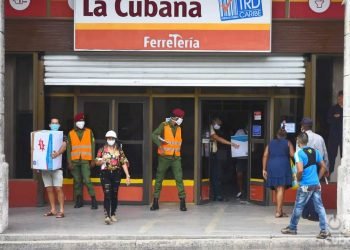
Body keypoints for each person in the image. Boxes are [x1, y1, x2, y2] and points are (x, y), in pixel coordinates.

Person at [281, 132, 330, 239]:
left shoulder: (298, 153)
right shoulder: (315, 151)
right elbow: (324, 166)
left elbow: (300, 170)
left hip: (305, 185)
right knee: (320, 207)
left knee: (298, 207)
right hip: (316, 184)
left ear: (298, 141)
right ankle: (325, 230)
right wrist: (318, 177)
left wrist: (298, 180)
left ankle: (292, 228)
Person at [150, 108, 187, 211]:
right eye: (180, 118)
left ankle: (183, 202)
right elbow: (153, 135)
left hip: (176, 158)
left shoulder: (179, 128)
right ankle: (155, 202)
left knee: (179, 179)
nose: (181, 120)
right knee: (159, 179)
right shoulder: (164, 125)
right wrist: (160, 145)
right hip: (164, 157)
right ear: (175, 117)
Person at [95, 130, 130, 225]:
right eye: (109, 138)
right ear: (106, 139)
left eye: (112, 138)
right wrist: (102, 160)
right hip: (105, 174)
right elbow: (96, 162)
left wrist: (127, 175)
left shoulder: (119, 150)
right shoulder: (102, 150)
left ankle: (113, 213)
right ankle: (107, 216)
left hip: (116, 174)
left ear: (115, 139)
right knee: (107, 194)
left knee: (114, 194)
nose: (110, 140)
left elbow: (123, 163)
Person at [298, 117, 329, 221]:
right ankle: (308, 213)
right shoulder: (319, 138)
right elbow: (325, 155)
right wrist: (326, 169)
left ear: (303, 126)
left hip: (305, 168)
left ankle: (311, 214)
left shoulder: (301, 138)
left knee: (306, 190)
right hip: (317, 167)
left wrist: (297, 172)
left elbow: (299, 156)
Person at [67, 112, 98, 209]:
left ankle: (93, 199)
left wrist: (93, 159)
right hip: (75, 161)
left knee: (87, 179)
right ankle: (79, 200)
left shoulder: (89, 132)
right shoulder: (71, 133)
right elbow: (68, 148)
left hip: (85, 160)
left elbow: (93, 146)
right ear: (76, 122)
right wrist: (69, 162)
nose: (81, 122)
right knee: (77, 181)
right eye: (79, 121)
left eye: (83, 121)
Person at [262, 128, 294, 217]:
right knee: (280, 189)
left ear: (277, 135)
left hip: (272, 165)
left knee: (278, 189)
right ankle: (278, 212)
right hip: (283, 166)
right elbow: (292, 154)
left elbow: (265, 155)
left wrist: (264, 169)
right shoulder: (288, 142)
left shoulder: (270, 143)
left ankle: (279, 210)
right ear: (285, 136)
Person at [209, 117, 239, 201]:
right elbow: (217, 138)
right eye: (218, 123)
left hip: (216, 154)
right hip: (211, 155)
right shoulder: (210, 128)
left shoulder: (215, 129)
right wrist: (231, 144)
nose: (219, 125)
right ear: (214, 120)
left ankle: (216, 195)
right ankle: (217, 195)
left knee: (217, 174)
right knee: (216, 175)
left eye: (220, 124)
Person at [42, 118, 67, 218]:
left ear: (59, 125)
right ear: (49, 125)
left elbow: (64, 146)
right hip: (46, 167)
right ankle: (52, 209)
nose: (54, 125)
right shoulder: (44, 135)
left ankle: (61, 210)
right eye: (53, 123)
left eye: (56, 123)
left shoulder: (63, 136)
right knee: (49, 189)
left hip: (57, 167)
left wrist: (58, 153)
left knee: (58, 188)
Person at [327, 90, 343, 177]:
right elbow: (328, 120)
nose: (340, 99)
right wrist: (335, 118)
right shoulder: (333, 109)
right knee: (332, 154)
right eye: (339, 98)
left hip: (344, 136)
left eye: (342, 98)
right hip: (334, 135)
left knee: (344, 155)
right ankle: (329, 173)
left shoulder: (347, 109)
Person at [233, 126, 248, 200]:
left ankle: (249, 191)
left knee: (248, 175)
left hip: (250, 158)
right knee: (239, 175)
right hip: (240, 157)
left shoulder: (255, 132)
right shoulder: (240, 131)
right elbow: (234, 141)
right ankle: (240, 191)